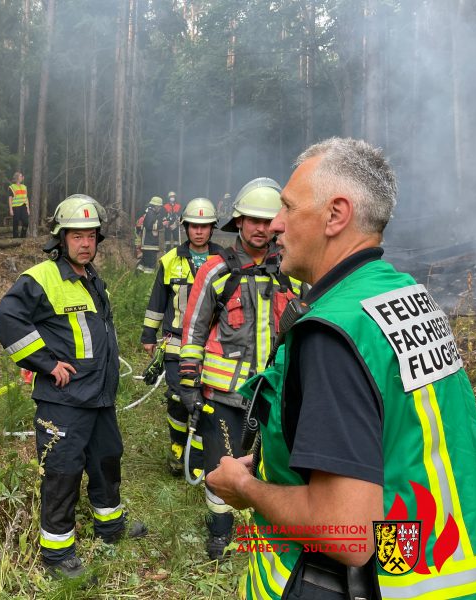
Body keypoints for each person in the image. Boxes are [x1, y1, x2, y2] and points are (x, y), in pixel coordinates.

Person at [207, 138, 476, 600]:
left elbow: (347, 533)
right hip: (436, 569)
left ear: (335, 214)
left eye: (288, 208)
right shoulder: (406, 297)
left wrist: (246, 487)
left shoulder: (333, 333)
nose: (276, 224)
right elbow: (399, 439)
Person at [0, 195, 147, 579]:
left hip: (98, 398)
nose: (85, 243)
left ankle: (110, 527)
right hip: (63, 400)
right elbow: (7, 318)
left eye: (91, 236)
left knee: (107, 461)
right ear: (60, 239)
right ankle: (57, 553)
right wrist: (44, 363)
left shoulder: (93, 279)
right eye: (76, 236)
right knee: (62, 474)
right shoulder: (41, 278)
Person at [178, 177, 305, 560]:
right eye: (253, 220)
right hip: (224, 394)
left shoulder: (291, 272)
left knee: (273, 465)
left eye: (268, 221)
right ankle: (220, 533)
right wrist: (188, 380)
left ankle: (267, 535)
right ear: (238, 223)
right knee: (223, 464)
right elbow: (194, 327)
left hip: (273, 394)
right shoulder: (217, 270)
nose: (261, 228)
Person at [141, 198, 220, 478]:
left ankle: (197, 457)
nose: (199, 232)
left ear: (212, 228)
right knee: (177, 396)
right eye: (194, 226)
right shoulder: (170, 261)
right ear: (186, 227)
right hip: (176, 341)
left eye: (204, 226)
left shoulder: (224, 261)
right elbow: (157, 300)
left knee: (204, 399)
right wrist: (149, 334)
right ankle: (177, 446)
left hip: (212, 345)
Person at [136, 196, 163, 273]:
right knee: (151, 263)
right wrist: (161, 225)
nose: (160, 208)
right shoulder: (151, 214)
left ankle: (138, 273)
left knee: (145, 261)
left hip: (149, 243)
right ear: (156, 206)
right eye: (160, 206)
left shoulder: (151, 213)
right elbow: (148, 226)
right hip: (150, 244)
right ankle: (149, 277)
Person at [8, 171, 29, 238]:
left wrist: (28, 208)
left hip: (23, 206)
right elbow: (10, 199)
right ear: (17, 178)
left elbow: (26, 198)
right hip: (16, 207)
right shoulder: (12, 187)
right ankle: (15, 238)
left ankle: (22, 236)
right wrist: (11, 209)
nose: (22, 177)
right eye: (21, 176)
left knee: (26, 222)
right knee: (16, 223)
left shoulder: (24, 187)